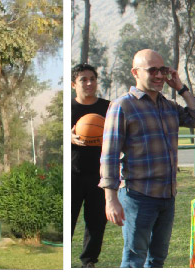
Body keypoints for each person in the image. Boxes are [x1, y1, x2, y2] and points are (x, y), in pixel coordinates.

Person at [100, 49, 195, 267]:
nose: (159, 76)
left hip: (167, 196)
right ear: (135, 72)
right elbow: (109, 155)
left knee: (157, 259)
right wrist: (110, 199)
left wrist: (181, 88)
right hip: (137, 196)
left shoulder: (169, 106)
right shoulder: (122, 106)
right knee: (134, 259)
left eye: (163, 70)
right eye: (152, 70)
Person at [71, 63, 110, 268]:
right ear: (73, 84)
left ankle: (88, 263)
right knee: (68, 220)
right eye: (83, 80)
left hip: (100, 173)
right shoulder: (69, 108)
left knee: (96, 223)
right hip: (74, 174)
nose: (88, 83)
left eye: (92, 79)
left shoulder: (108, 107)